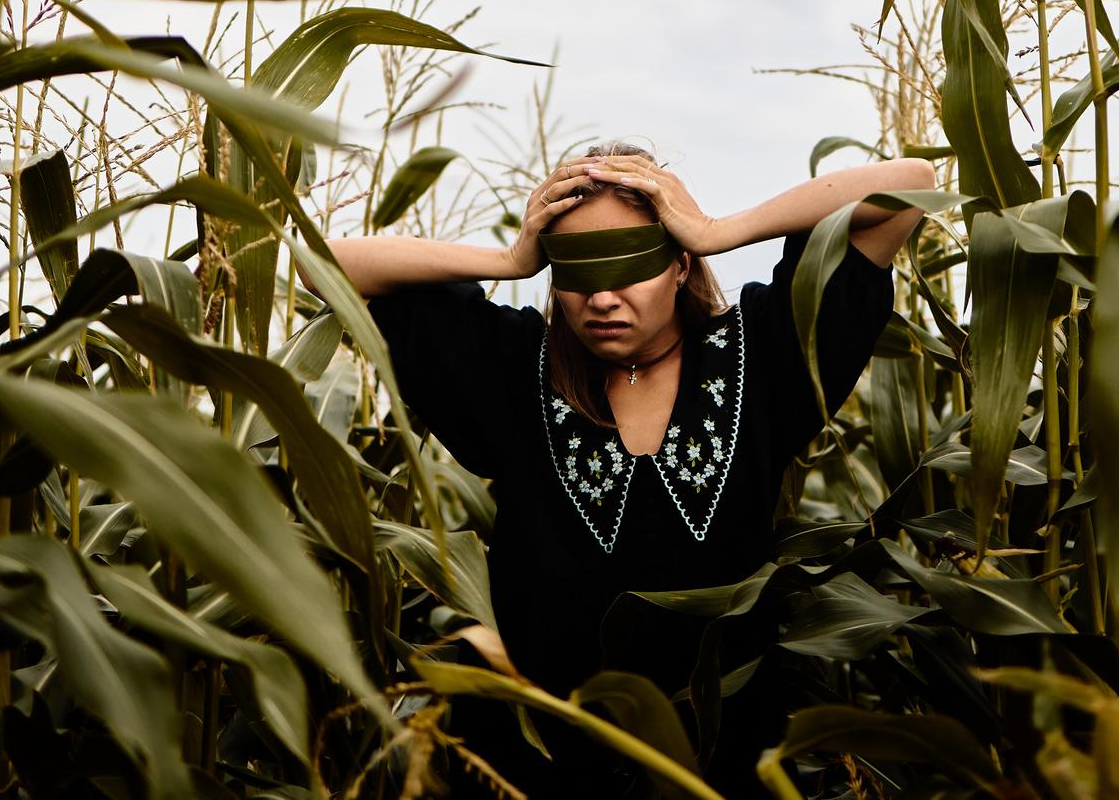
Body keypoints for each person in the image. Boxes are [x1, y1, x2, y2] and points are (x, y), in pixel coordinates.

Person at [334, 141, 935, 798]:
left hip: (723, 762)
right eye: (578, 274)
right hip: (539, 764)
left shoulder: (764, 357)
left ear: (679, 265)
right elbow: (329, 263)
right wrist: (510, 260)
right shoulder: (512, 373)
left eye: (630, 268)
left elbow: (910, 184)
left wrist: (716, 231)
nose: (603, 299)